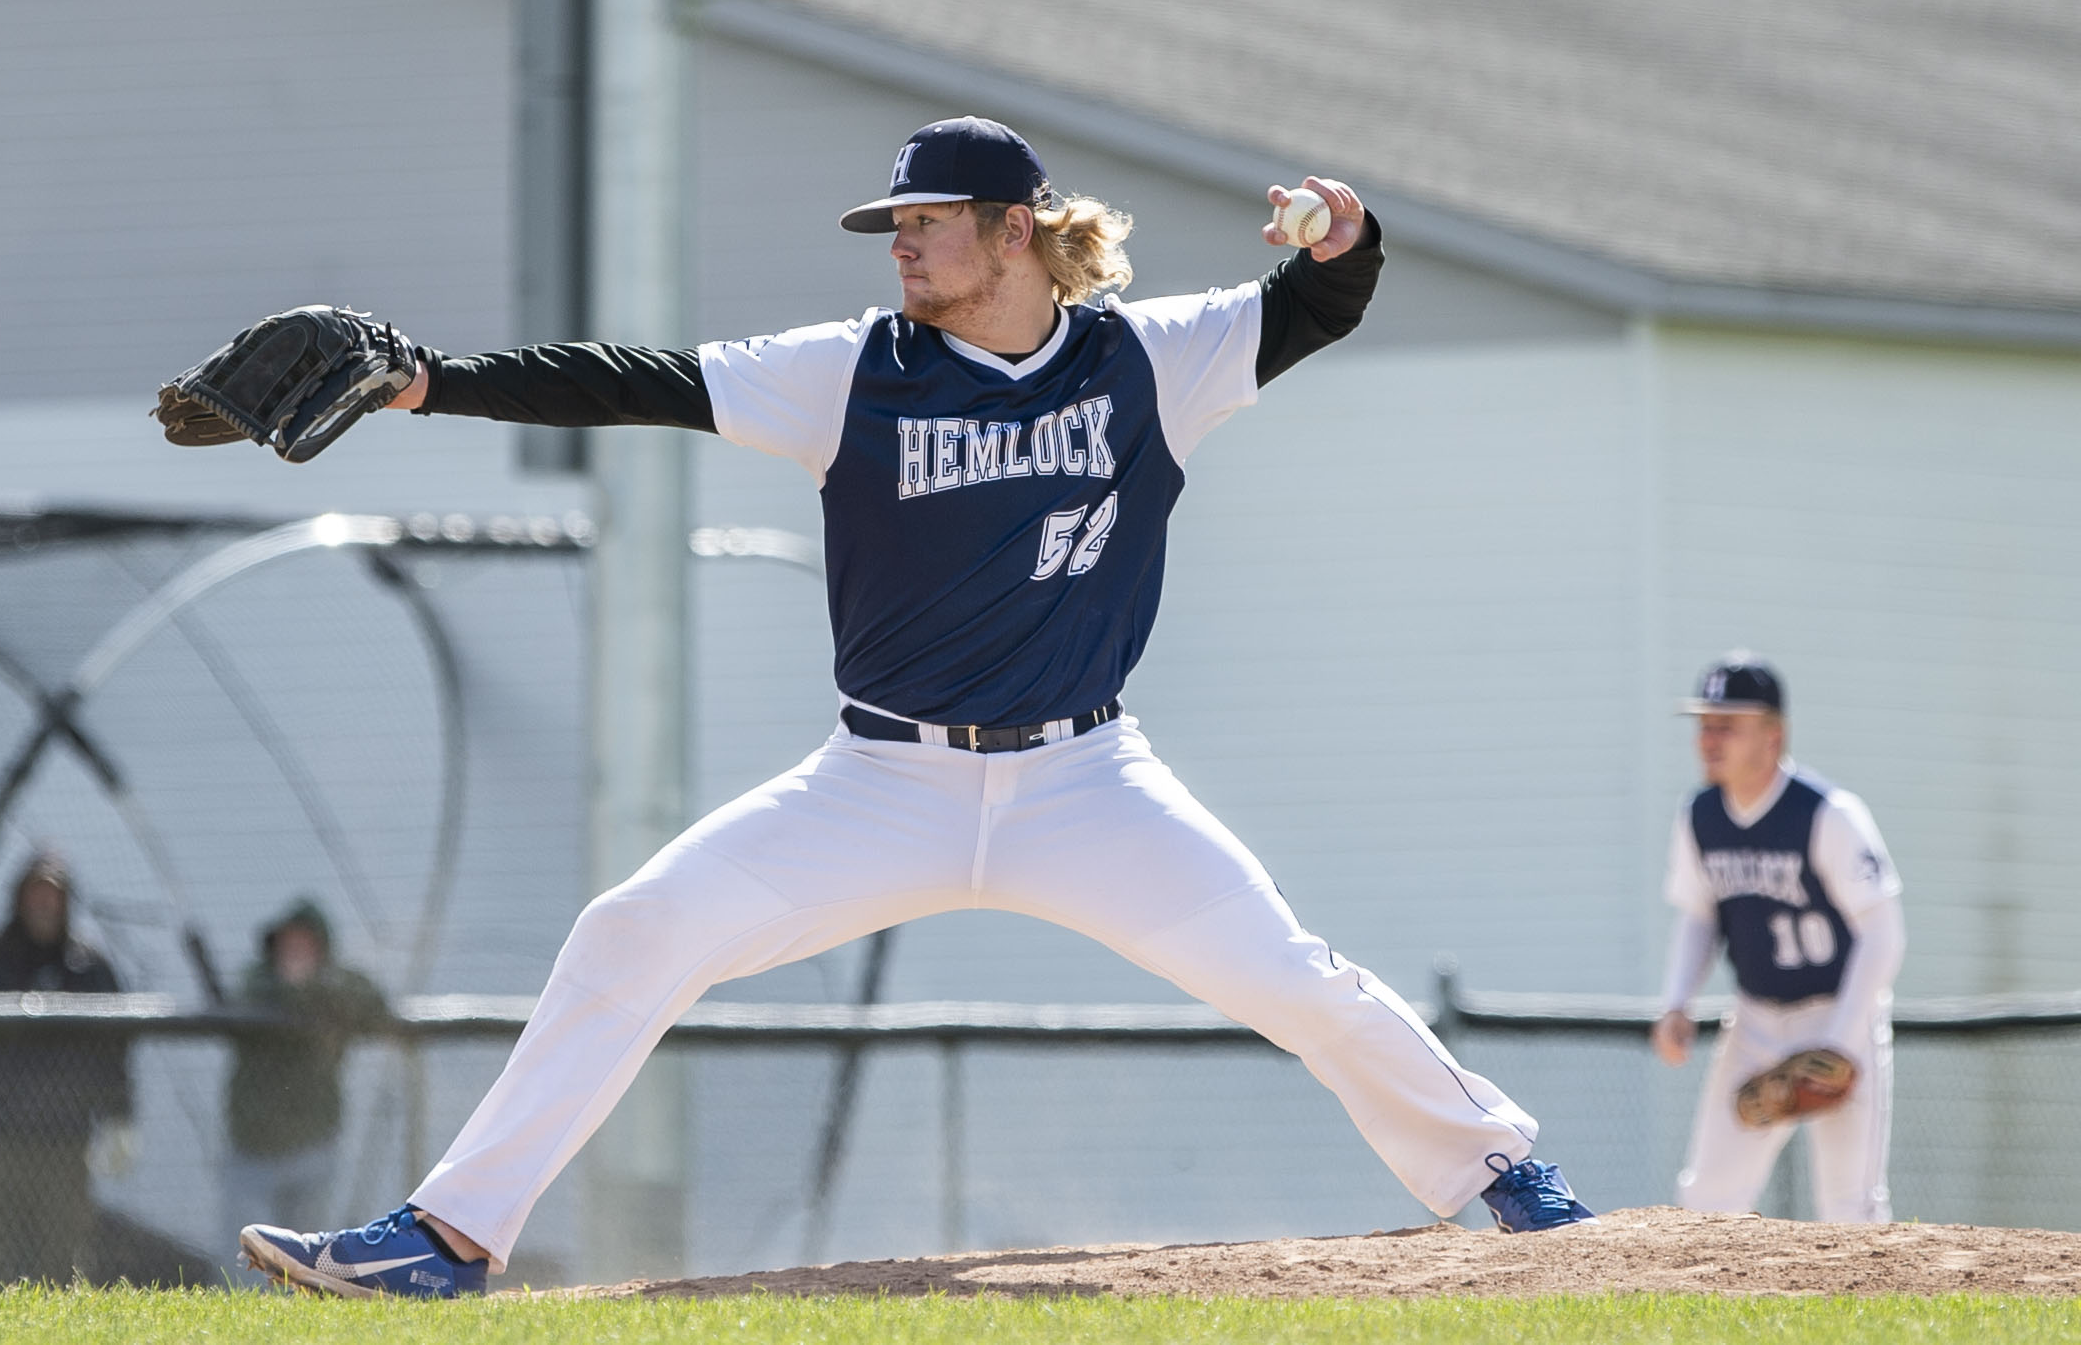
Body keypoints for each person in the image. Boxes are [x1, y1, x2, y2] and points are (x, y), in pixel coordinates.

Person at [229, 117, 1594, 1297]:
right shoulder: (852, 368)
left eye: (927, 221)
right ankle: (448, 1238)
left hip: (1086, 780)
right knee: (632, 929)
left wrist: (1348, 238)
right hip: (880, 782)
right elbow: (641, 381)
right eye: (894, 224)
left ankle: (1506, 1172)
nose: (900, 243)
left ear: (1014, 231)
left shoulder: (1146, 358)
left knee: (1289, 974)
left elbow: (1313, 304)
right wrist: (429, 380)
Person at [1651, 655, 1904, 1221]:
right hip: (1756, 1019)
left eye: (1727, 725)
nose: (1709, 739)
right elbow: (1698, 915)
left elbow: (1884, 933)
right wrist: (1676, 1003)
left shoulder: (1827, 814)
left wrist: (1840, 1043)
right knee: (1707, 1199)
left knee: (1852, 1207)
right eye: (1705, 725)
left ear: (1773, 735)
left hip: (1838, 1011)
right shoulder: (1700, 815)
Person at [0, 854, 137, 1283]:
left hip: (65, 1143)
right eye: (36, 894)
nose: (44, 905)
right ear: (19, 898)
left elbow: (113, 1051)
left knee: (62, 1262)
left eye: (53, 895)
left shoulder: (89, 969)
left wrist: (119, 1117)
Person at [220, 900, 392, 1281]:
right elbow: (242, 1000)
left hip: (312, 1148)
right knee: (245, 1264)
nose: (294, 954)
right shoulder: (256, 983)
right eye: (288, 944)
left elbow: (375, 1003)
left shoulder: (338, 987)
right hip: (251, 1149)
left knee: (307, 1263)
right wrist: (296, 989)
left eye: (304, 945)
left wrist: (310, 987)